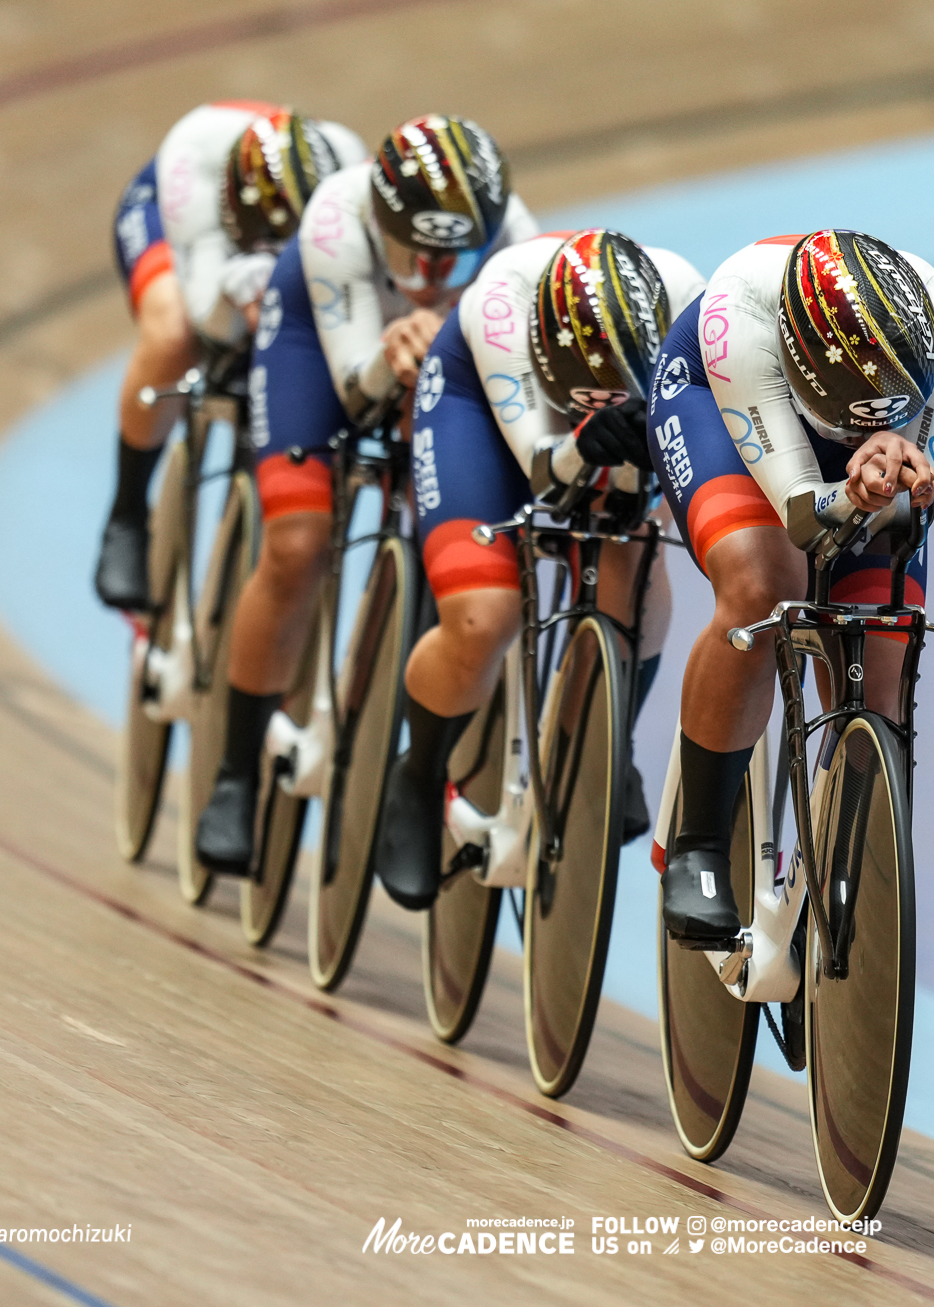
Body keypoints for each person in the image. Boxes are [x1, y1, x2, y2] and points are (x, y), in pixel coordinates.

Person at [194, 115, 539, 875]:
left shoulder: (516, 235)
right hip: (321, 345)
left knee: (466, 522)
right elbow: (356, 386)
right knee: (296, 546)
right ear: (379, 222)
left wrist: (436, 338)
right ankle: (235, 770)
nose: (427, 269)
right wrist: (397, 350)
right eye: (411, 249)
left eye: (455, 254)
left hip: (434, 352)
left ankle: (420, 737)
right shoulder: (336, 219)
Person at [645, 229, 934, 942]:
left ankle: (839, 868)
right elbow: (800, 515)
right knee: (763, 585)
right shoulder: (739, 318)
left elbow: (915, 499)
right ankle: (697, 844)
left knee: (883, 662)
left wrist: (895, 476)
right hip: (723, 400)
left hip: (863, 408)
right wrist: (851, 492)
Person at [368, 229, 705, 910]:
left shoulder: (688, 306)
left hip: (618, 413)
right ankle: (420, 768)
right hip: (484, 414)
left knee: (635, 549)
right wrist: (584, 441)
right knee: (484, 615)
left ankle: (608, 739)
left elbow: (690, 456)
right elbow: (543, 467)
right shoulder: (499, 306)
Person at [95, 102, 364, 610]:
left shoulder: (349, 173)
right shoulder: (194, 162)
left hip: (286, 228)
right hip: (169, 214)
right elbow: (211, 317)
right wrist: (243, 291)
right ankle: (126, 513)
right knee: (174, 332)